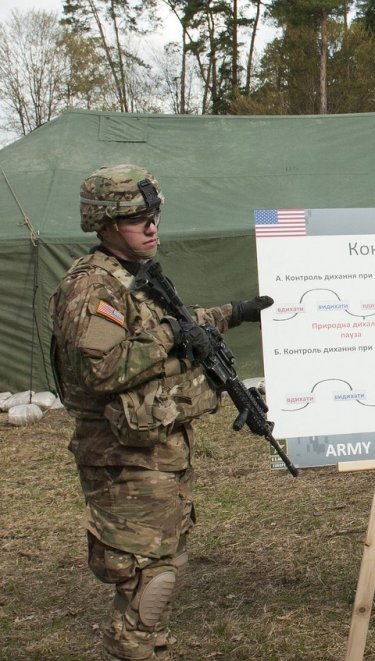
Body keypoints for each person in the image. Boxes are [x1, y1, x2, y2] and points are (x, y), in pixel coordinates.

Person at [48, 164, 273, 660]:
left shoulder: (134, 277)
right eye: (137, 218)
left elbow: (177, 325)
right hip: (122, 459)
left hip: (155, 452)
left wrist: (233, 313)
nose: (151, 227)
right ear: (105, 224)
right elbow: (100, 369)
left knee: (162, 566)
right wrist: (172, 336)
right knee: (147, 578)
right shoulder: (93, 288)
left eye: (153, 215)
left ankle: (148, 645)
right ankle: (132, 648)